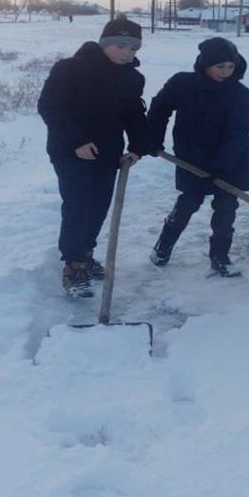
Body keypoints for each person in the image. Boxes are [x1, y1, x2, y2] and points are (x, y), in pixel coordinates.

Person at [38, 18, 149, 298]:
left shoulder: (133, 78)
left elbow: (134, 114)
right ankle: (73, 266)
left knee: (99, 206)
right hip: (70, 151)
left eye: (134, 49)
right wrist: (76, 142)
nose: (127, 53)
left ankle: (85, 254)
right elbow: (50, 107)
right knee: (78, 205)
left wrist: (137, 146)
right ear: (105, 43)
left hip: (108, 153)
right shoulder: (71, 69)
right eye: (121, 46)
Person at [148, 37, 249, 277]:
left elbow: (238, 132)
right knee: (188, 203)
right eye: (220, 67)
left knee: (226, 209)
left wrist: (221, 166)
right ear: (205, 64)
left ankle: (220, 257)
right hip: (192, 158)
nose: (226, 73)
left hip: (230, 161)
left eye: (230, 67)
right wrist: (152, 138)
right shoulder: (183, 84)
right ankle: (163, 247)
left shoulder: (240, 94)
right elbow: (159, 107)